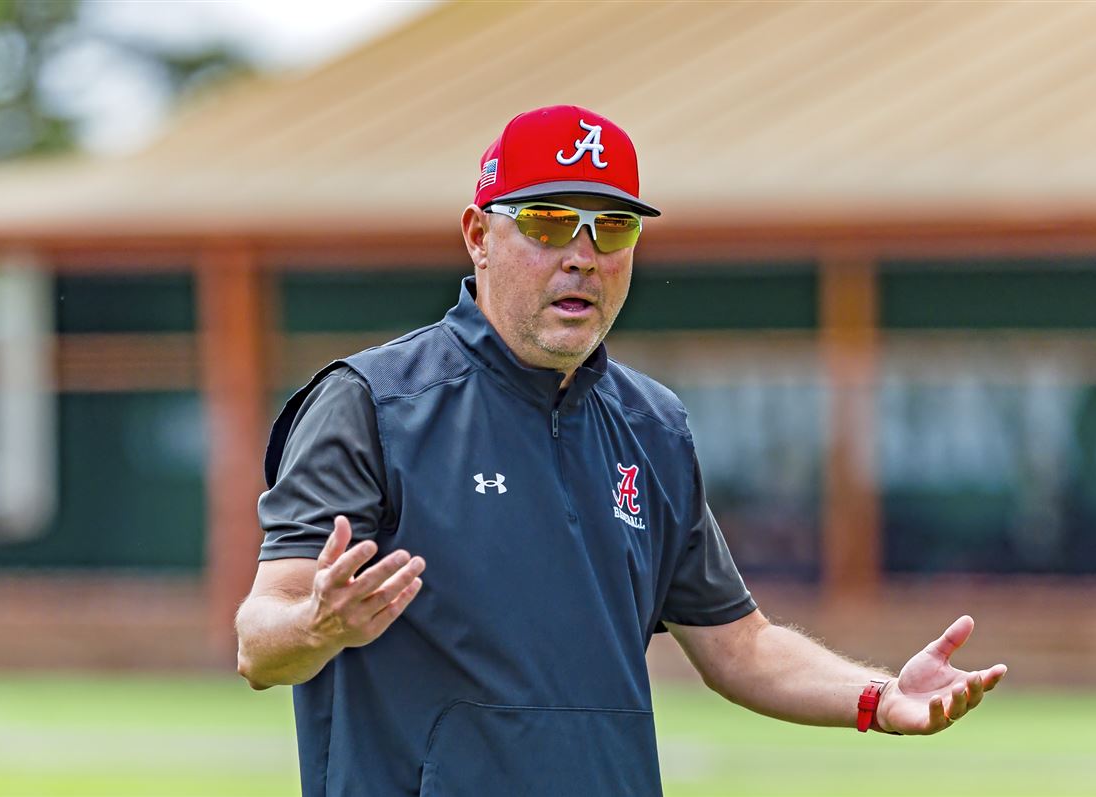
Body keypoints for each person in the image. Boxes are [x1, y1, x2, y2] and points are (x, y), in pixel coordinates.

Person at [235, 105, 1007, 797]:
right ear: (478, 234)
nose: (582, 255)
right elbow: (259, 640)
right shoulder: (371, 402)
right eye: (546, 223)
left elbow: (738, 644)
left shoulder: (653, 424)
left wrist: (877, 696)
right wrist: (316, 624)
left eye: (612, 228)